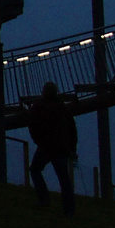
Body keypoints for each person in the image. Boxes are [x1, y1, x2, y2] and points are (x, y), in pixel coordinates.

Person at [27, 83, 77, 216]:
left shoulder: (38, 107)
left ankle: (44, 198)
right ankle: (69, 209)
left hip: (46, 146)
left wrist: (39, 141)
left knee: (35, 169)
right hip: (61, 147)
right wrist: (72, 148)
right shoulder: (63, 108)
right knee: (64, 178)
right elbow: (72, 129)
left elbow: (32, 126)